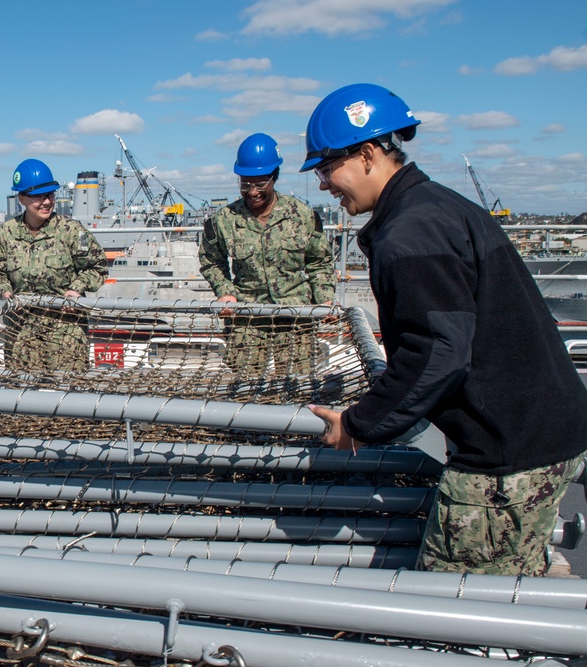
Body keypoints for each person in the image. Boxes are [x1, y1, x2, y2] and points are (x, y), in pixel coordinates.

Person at [302, 83, 587, 576]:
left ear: (368, 154)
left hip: (505, 455)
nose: (324, 184)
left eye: (327, 168)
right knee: (517, 571)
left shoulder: (411, 231)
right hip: (536, 431)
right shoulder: (436, 207)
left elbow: (437, 351)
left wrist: (358, 423)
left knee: (458, 602)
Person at [198, 133, 334, 376]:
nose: (252, 192)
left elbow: (319, 261)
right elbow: (211, 260)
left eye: (260, 184)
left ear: (274, 178)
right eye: (245, 183)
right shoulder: (224, 220)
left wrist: (324, 298)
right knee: (245, 388)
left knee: (297, 385)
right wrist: (225, 291)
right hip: (247, 316)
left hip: (295, 315)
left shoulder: (301, 215)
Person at [0, 159, 108, 371]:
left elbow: (97, 267)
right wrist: (4, 292)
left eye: (50, 195)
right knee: (23, 392)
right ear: (21, 198)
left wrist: (76, 289)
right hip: (22, 329)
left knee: (68, 393)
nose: (47, 202)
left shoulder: (71, 231)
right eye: (38, 196)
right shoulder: (5, 235)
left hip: (65, 329)